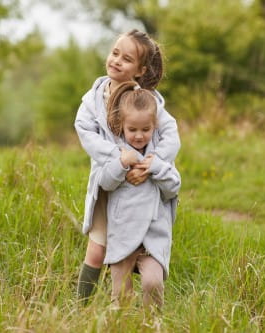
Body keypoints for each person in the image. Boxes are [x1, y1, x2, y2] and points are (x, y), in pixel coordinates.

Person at [74, 29, 180, 303]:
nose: (117, 61)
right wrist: (118, 156)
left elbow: (170, 133)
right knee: (97, 250)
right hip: (109, 182)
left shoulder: (148, 100)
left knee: (136, 247)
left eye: (127, 59)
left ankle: (137, 301)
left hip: (141, 186)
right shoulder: (94, 98)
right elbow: (86, 132)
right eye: (115, 53)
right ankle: (79, 307)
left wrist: (150, 162)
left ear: (140, 69)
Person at [100, 81, 180, 308]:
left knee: (152, 283)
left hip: (153, 237)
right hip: (123, 233)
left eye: (145, 130)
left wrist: (154, 168)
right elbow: (105, 183)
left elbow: (173, 186)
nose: (138, 136)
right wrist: (121, 165)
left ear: (154, 127)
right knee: (121, 295)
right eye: (132, 130)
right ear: (122, 126)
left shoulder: (159, 158)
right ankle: (121, 325)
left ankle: (151, 324)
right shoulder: (118, 154)